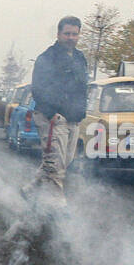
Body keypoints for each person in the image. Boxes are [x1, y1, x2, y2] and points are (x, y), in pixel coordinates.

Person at [24, 15, 88, 208]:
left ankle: (31, 189)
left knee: (65, 161)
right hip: (53, 118)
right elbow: (38, 89)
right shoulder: (47, 58)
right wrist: (53, 114)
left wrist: (81, 111)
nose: (71, 37)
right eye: (67, 33)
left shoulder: (80, 58)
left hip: (74, 117)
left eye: (74, 34)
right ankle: (57, 206)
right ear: (59, 34)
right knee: (56, 163)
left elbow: (82, 87)